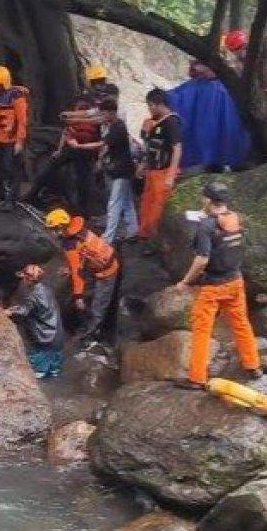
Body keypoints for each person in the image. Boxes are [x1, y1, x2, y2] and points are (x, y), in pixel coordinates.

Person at [174, 182, 262, 387]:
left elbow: (202, 260)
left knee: (202, 329)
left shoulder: (206, 227)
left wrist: (185, 282)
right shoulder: (236, 218)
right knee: (240, 323)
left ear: (207, 200)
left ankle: (197, 377)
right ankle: (253, 365)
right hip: (235, 281)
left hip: (213, 285)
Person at [46, 208, 120, 344]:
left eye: (53, 229)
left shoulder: (70, 244)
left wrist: (78, 296)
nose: (52, 232)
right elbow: (84, 254)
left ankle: (90, 333)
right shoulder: (79, 228)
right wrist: (70, 268)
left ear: (61, 227)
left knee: (98, 306)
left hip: (106, 272)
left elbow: (77, 272)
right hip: (104, 262)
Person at [6, 263, 65, 378]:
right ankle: (54, 372)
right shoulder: (46, 289)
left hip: (43, 333)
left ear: (28, 278)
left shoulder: (33, 294)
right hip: (56, 330)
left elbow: (24, 310)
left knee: (39, 370)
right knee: (55, 367)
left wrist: (10, 311)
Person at [138, 88, 183, 240]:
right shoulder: (154, 123)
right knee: (147, 204)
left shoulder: (171, 122)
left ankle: (156, 241)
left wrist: (171, 173)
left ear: (158, 104)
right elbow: (150, 147)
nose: (149, 109)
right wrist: (143, 165)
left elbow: (177, 148)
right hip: (152, 170)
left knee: (158, 208)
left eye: (150, 105)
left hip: (163, 173)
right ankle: (146, 236)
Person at [0, 65, 29, 203]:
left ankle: (12, 199)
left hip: (11, 140)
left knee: (10, 168)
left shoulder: (17, 97)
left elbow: (22, 121)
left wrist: (19, 142)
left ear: (4, 83)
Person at [97, 98, 139, 244]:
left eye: (103, 114)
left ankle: (108, 237)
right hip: (123, 170)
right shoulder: (114, 126)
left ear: (111, 113)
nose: (102, 117)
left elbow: (103, 144)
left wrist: (78, 146)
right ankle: (133, 230)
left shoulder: (118, 128)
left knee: (114, 203)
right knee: (127, 202)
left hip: (121, 171)